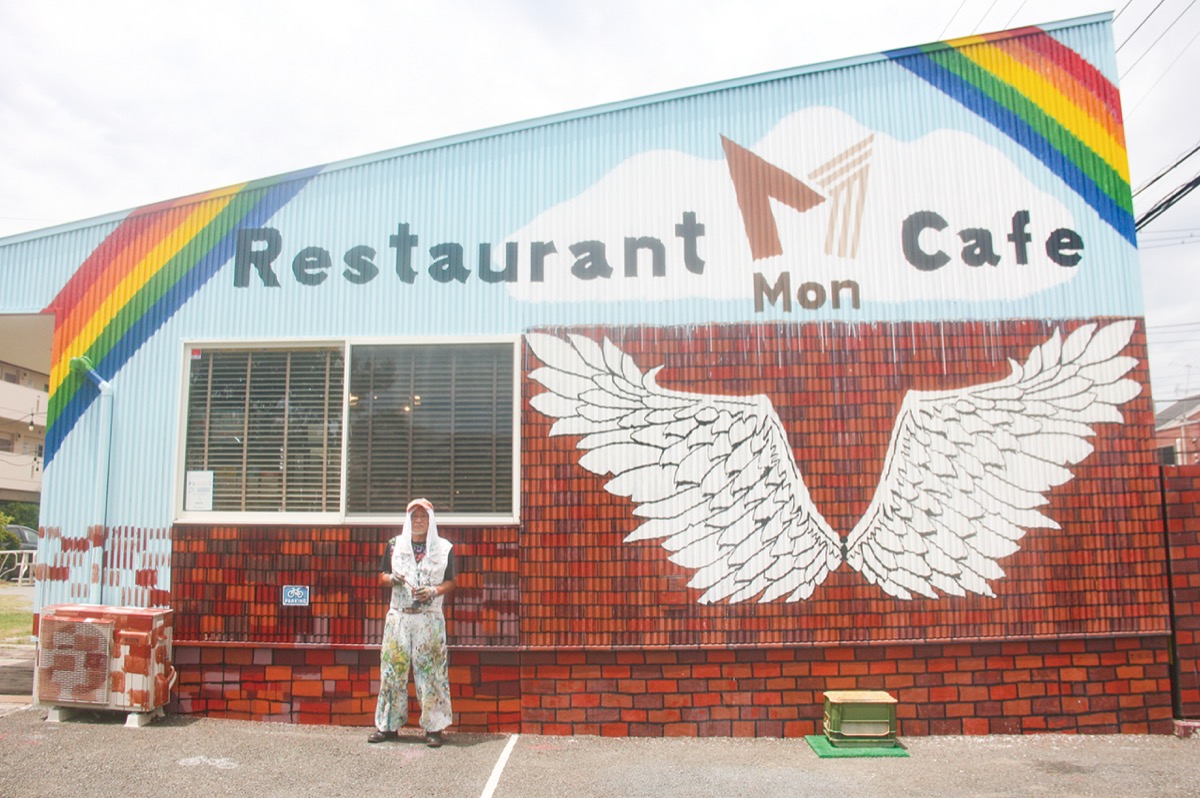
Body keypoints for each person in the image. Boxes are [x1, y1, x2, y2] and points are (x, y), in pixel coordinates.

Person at [369, 497, 456, 747]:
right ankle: (387, 725)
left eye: (423, 516)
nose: (419, 521)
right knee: (392, 670)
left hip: (429, 619)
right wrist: (391, 579)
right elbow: (381, 575)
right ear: (408, 520)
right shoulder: (395, 545)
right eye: (414, 516)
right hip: (399, 616)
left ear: (431, 520)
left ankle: (434, 728)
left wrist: (434, 591)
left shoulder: (444, 548)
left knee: (431, 672)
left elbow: (452, 580)